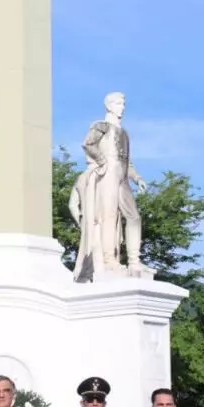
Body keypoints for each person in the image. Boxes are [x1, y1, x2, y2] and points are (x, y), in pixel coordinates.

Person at [71, 91, 149, 281]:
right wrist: (102, 161)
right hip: (107, 174)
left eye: (123, 104)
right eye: (119, 103)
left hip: (122, 177)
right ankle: (108, 259)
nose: (123, 107)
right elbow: (88, 144)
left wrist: (137, 177)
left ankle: (134, 261)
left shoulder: (124, 133)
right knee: (108, 216)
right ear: (109, 105)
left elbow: (127, 161)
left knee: (134, 216)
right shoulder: (101, 126)